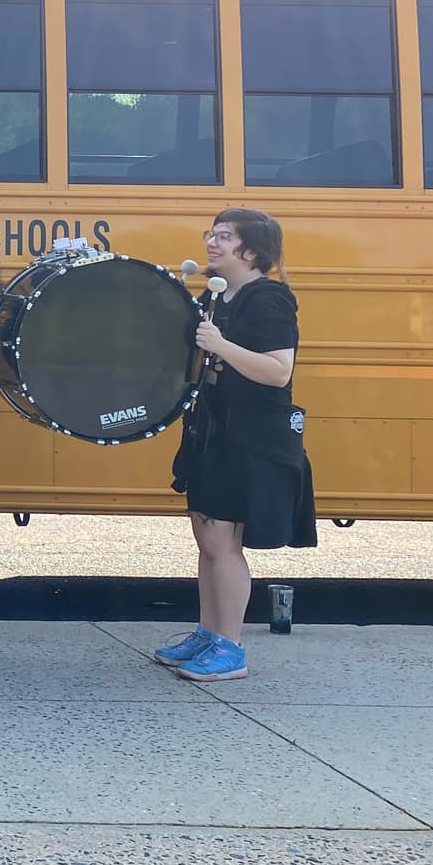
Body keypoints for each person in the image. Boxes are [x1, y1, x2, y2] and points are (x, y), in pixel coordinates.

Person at [157, 208, 315, 682]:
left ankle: (230, 647)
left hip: (249, 438)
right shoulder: (217, 295)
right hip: (215, 433)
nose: (211, 242)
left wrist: (219, 345)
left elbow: (277, 370)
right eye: (211, 233)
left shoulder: (268, 299)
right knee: (209, 540)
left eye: (224, 237)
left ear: (250, 251)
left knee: (225, 543)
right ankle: (210, 633)